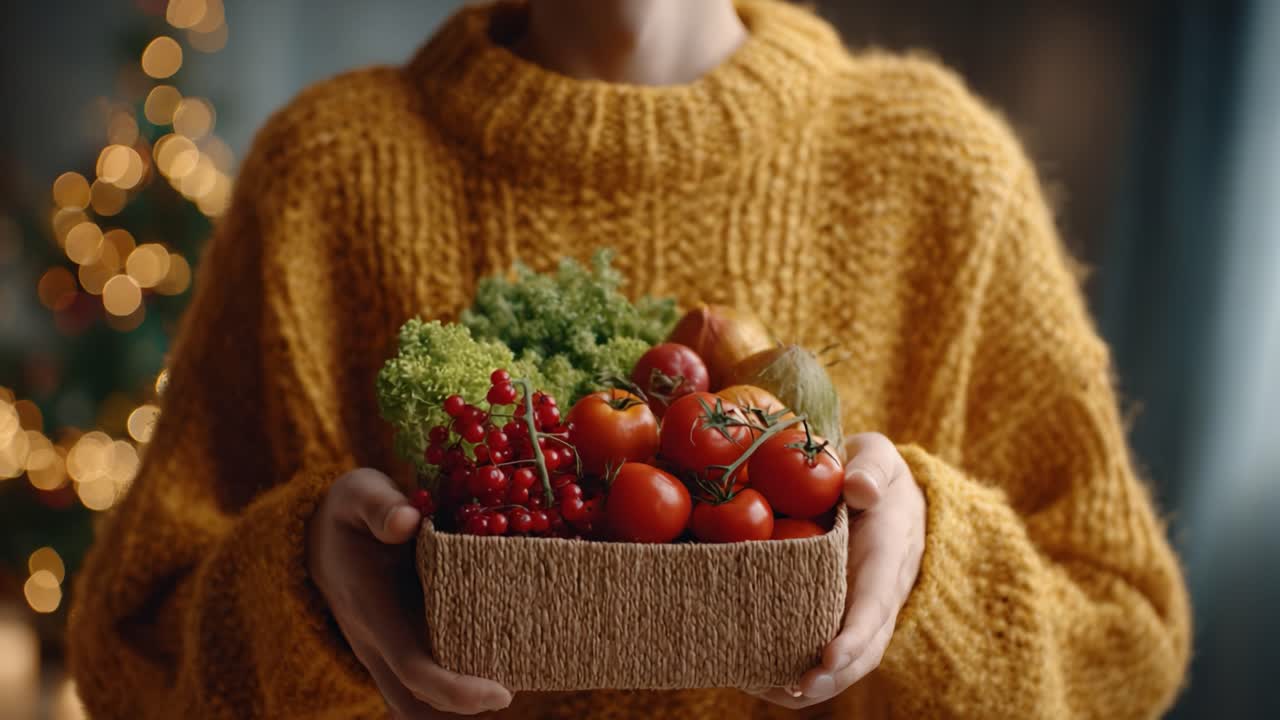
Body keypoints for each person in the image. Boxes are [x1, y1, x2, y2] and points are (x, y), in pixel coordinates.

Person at [67, 0, 1191, 717]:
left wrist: (929, 569)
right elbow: (128, 648)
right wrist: (299, 587)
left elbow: (1124, 639)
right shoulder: (325, 173)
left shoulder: (939, 172)